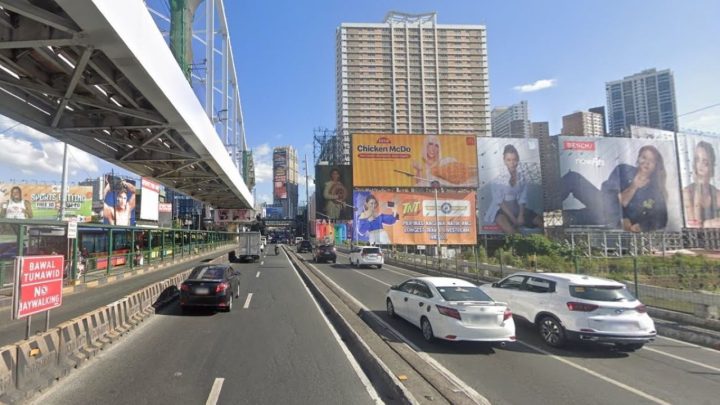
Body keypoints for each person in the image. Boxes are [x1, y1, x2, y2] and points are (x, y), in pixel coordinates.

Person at [561, 145, 668, 233]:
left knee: (568, 217)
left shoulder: (655, 190)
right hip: (603, 206)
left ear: (656, 165)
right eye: (644, 157)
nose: (646, 162)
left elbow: (661, 218)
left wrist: (640, 226)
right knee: (573, 178)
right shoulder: (623, 170)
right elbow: (609, 195)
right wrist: (634, 186)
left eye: (651, 160)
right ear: (638, 159)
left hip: (609, 220)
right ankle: (545, 206)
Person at [485, 144, 542, 233]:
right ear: (504, 161)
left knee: (540, 221)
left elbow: (523, 198)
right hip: (500, 211)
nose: (512, 163)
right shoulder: (497, 179)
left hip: (517, 209)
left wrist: (521, 215)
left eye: (514, 160)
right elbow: (500, 202)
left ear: (518, 160)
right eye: (509, 160)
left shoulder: (522, 177)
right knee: (512, 232)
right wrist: (514, 220)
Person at [682, 141, 720, 228]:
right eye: (697, 160)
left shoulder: (717, 194)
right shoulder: (687, 192)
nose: (700, 165)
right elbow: (695, 226)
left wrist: (707, 224)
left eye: (705, 161)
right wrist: (708, 224)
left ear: (711, 165)